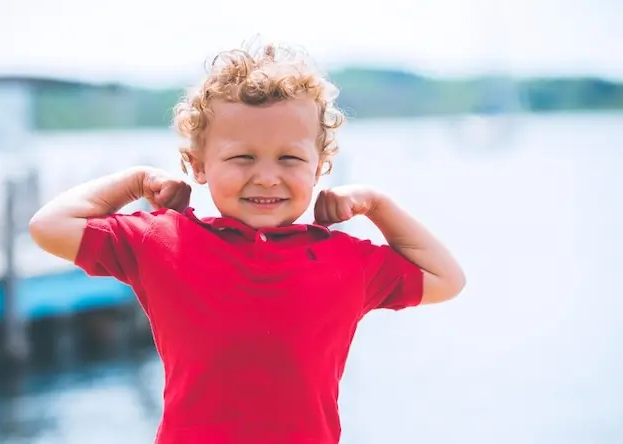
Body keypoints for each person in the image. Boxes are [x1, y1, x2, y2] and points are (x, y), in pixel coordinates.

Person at [29, 39, 466, 444]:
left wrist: (378, 205)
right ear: (198, 165)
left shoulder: (346, 260)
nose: (267, 176)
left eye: (290, 158)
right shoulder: (163, 240)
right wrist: (135, 180)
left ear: (320, 168)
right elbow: (49, 225)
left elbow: (447, 279)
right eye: (242, 157)